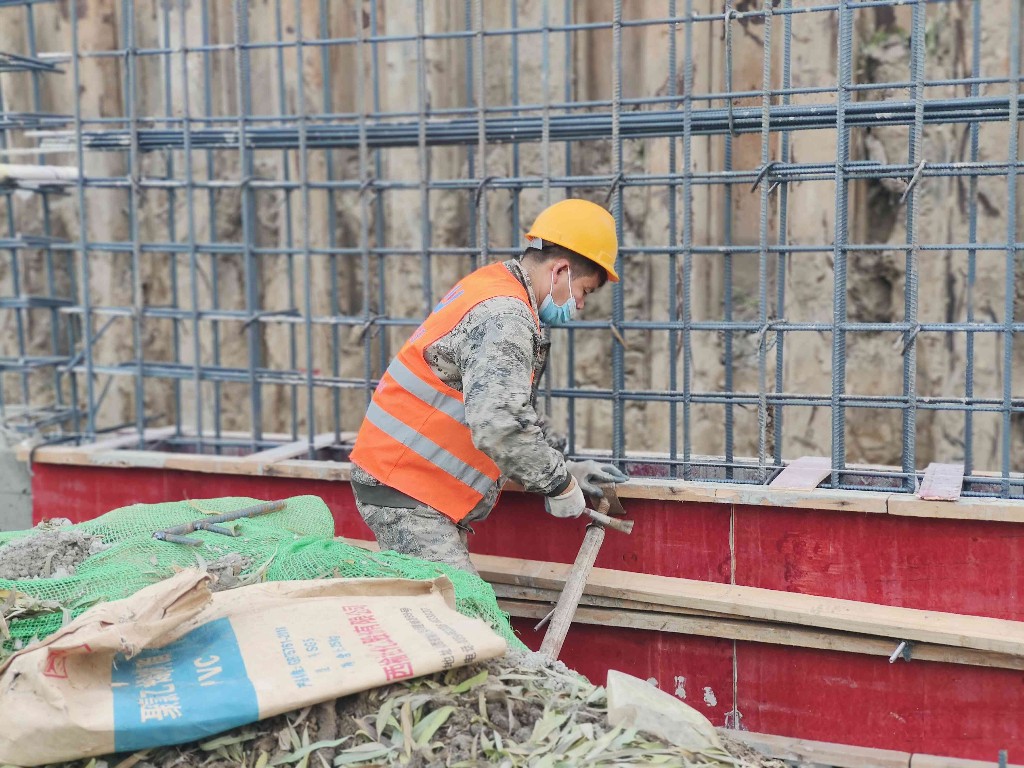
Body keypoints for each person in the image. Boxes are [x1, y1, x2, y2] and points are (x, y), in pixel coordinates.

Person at [349, 198, 629, 574]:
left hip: (410, 483)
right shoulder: (505, 316)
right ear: (561, 270)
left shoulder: (493, 286)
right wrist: (558, 483)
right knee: (461, 607)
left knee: (444, 603)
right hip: (405, 488)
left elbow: (505, 408)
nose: (579, 304)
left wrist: (565, 466)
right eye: (584, 291)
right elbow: (500, 425)